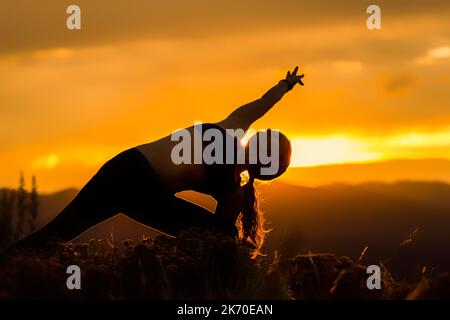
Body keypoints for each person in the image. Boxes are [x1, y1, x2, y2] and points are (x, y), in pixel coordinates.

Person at [8, 67, 304, 256]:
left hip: (125, 168)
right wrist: (284, 86)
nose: (264, 131)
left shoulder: (231, 146)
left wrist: (284, 85)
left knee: (55, 235)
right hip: (135, 181)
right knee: (224, 235)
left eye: (268, 136)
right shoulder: (233, 184)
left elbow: (261, 105)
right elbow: (263, 105)